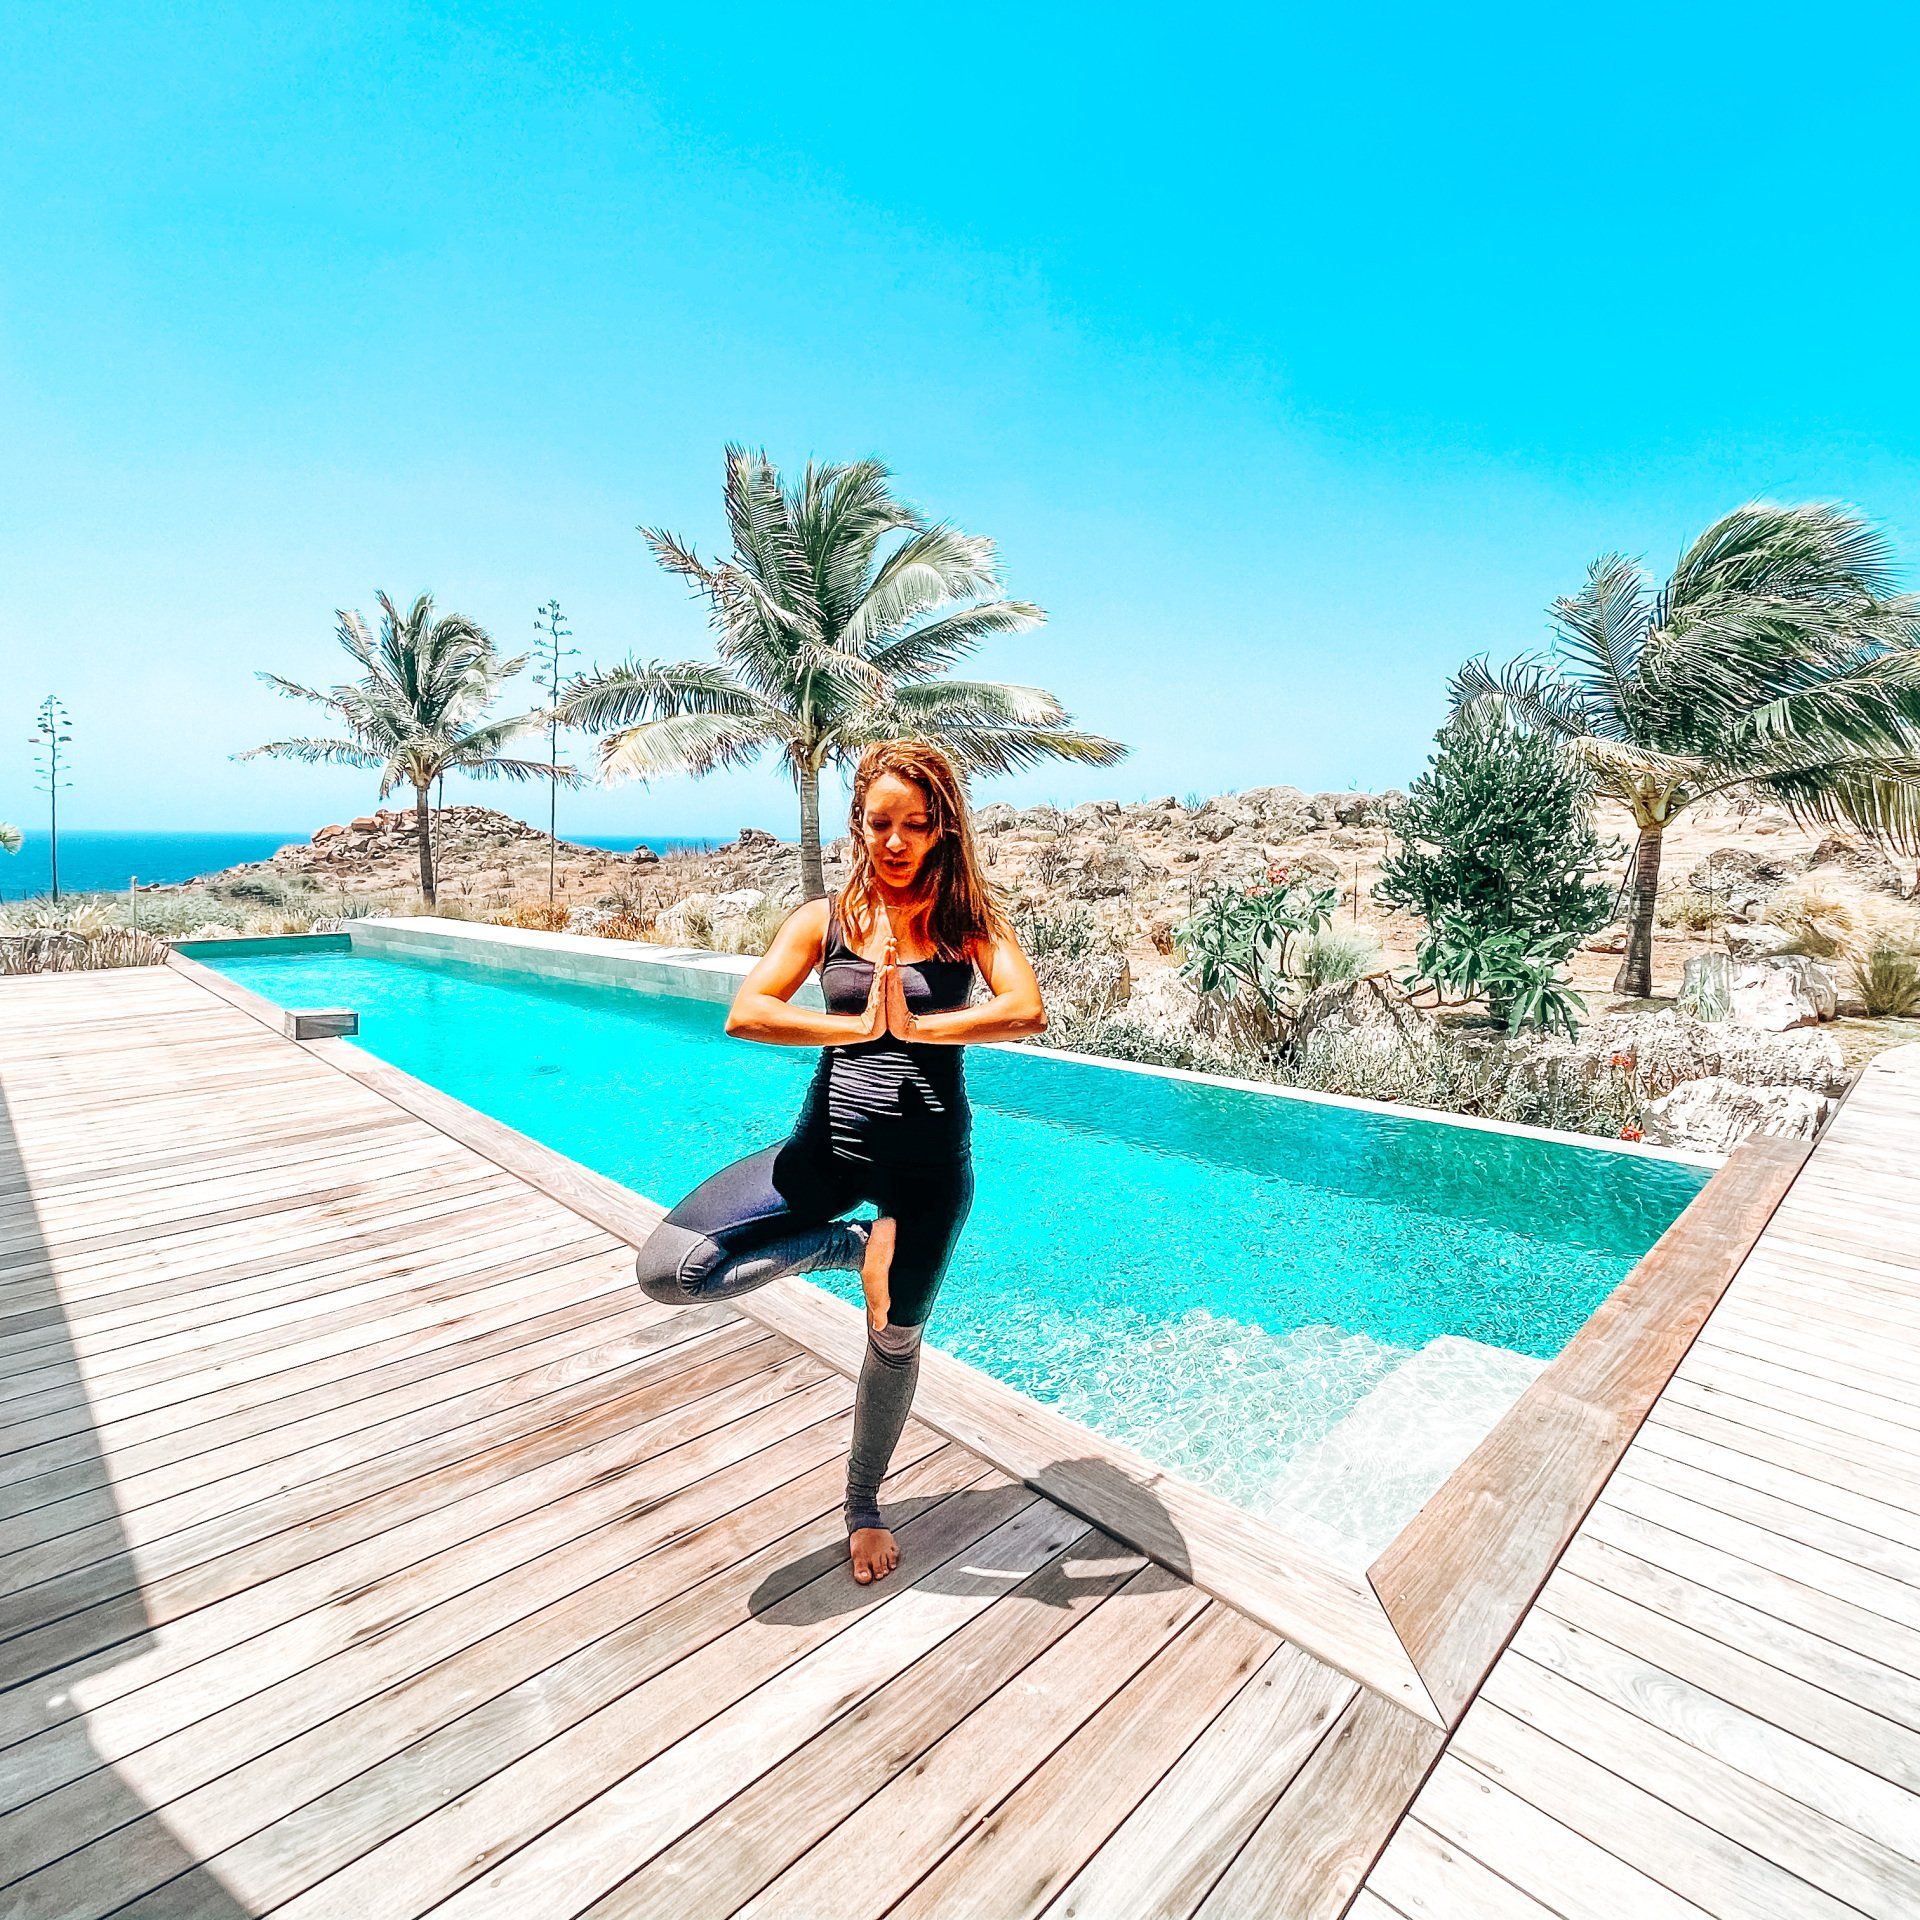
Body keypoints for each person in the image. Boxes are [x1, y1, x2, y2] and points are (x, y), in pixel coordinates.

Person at [633, 740, 1047, 1585]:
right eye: (880, 823)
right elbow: (749, 1013)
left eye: (915, 825)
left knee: (893, 1343)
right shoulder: (824, 921)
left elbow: (1026, 1008)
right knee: (672, 1271)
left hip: (927, 1176)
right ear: (857, 824)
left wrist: (921, 1028)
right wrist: (857, 1028)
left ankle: (863, 1507)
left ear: (942, 830)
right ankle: (849, 1247)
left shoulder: (969, 924)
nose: (895, 842)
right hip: (822, 1157)